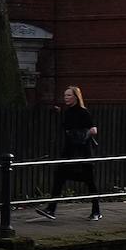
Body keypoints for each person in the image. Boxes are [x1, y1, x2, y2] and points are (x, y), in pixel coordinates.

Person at [35, 85, 101, 220]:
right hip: (69, 151)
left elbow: (94, 129)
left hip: (83, 152)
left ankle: (96, 211)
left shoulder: (84, 112)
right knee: (59, 177)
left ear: (76, 97)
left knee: (90, 182)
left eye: (69, 95)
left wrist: (83, 134)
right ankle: (51, 209)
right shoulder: (67, 113)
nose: (66, 98)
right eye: (65, 95)